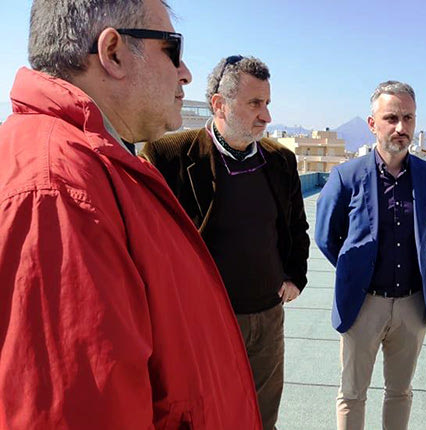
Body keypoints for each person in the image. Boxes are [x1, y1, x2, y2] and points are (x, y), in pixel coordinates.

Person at [0, 1, 262, 428]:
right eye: (173, 50)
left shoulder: (94, 167)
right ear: (114, 53)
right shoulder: (59, 193)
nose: (185, 73)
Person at [141, 55, 309, 430]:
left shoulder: (280, 161)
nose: (266, 116)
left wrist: (295, 277)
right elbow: (151, 244)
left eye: (267, 103)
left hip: (267, 318)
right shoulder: (168, 157)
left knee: (262, 418)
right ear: (219, 104)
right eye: (254, 103)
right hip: (202, 323)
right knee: (205, 417)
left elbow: (296, 227)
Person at [315, 80, 426, 430]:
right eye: (391, 118)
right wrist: (357, 271)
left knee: (400, 392)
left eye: (408, 118)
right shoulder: (345, 177)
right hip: (363, 304)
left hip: (412, 305)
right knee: (352, 393)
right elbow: (327, 238)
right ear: (373, 124)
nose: (401, 127)